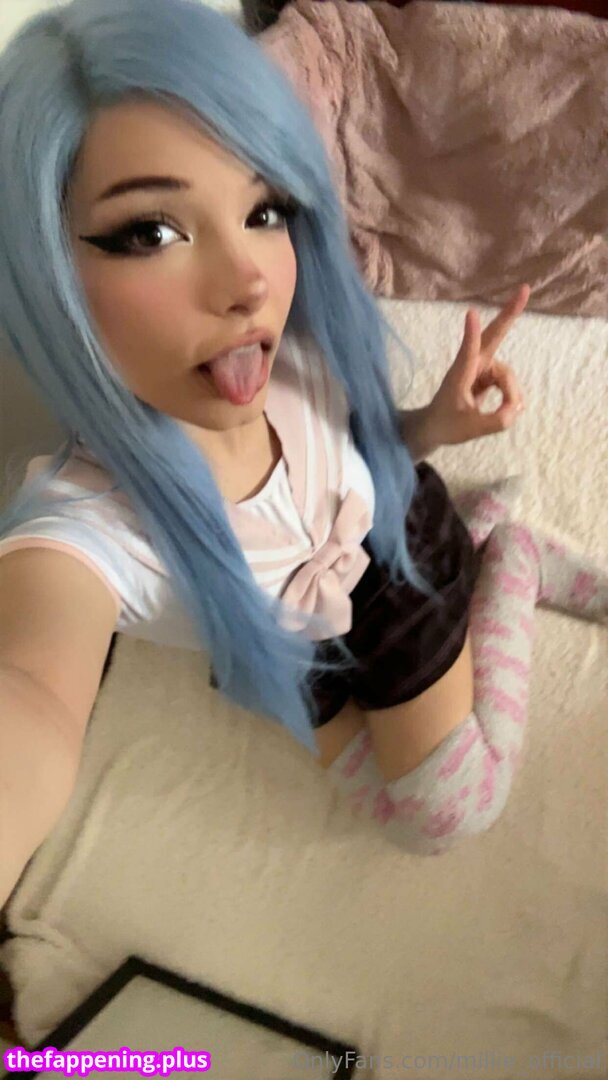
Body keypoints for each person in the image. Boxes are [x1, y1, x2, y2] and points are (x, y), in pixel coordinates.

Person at [0, 0, 606, 910]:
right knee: (375, 796)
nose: (249, 281)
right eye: (152, 231)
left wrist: (434, 424)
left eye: (265, 210)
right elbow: (32, 689)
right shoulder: (89, 519)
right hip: (290, 650)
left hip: (391, 560)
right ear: (45, 270)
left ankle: (510, 555)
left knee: (443, 813)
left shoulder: (296, 361)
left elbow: (366, 451)